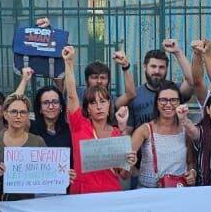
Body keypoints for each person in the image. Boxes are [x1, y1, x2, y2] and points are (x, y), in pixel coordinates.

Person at [61, 46, 135, 194]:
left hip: (110, 194)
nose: (99, 107)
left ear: (110, 105)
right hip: (82, 194)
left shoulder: (117, 133)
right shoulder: (79, 125)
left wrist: (130, 163)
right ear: (87, 108)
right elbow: (71, 95)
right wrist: (69, 63)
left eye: (103, 102)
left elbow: (124, 175)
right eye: (93, 103)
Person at [131, 82, 196, 188]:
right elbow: (127, 161)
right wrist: (140, 175)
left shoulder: (185, 129)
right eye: (163, 100)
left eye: (173, 100)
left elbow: (190, 162)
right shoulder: (144, 130)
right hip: (149, 191)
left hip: (178, 191)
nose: (168, 104)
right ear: (156, 102)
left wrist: (192, 173)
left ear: (179, 102)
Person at [0, 94, 47, 201]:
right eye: (14, 112)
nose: (18, 116)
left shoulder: (37, 141)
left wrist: (62, 176)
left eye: (23, 112)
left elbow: (48, 173)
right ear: (5, 114)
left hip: (30, 205)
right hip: (0, 205)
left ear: (27, 116)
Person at [29, 82, 74, 150]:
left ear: (61, 106)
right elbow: (13, 106)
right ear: (40, 108)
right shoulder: (30, 128)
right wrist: (24, 80)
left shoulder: (69, 130)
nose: (50, 107)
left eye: (55, 102)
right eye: (45, 103)